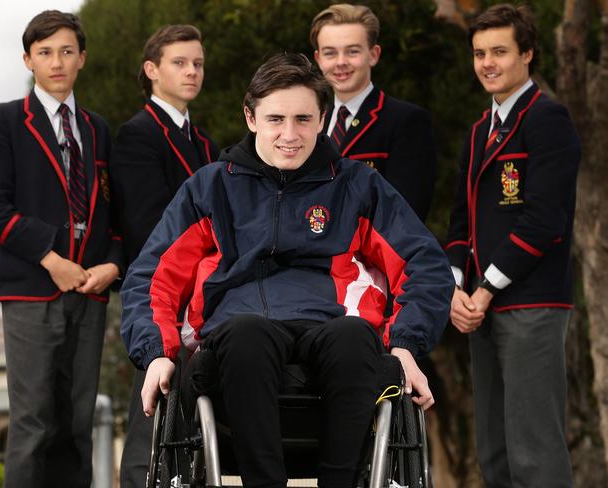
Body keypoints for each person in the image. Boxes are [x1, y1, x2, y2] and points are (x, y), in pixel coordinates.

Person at [121, 52, 453, 488]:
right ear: (251, 117)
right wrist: (158, 353)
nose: (290, 135)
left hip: (331, 323)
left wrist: (406, 343)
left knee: (356, 338)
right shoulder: (211, 187)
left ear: (322, 119)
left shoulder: (356, 185)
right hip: (240, 331)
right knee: (246, 334)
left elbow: (424, 263)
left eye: (303, 119)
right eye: (276, 119)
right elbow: (152, 278)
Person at [0, 10, 122, 488]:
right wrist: (51, 259)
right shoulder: (3, 121)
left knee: (77, 425)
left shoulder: (97, 129)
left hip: (90, 292)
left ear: (82, 59)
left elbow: (116, 213)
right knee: (34, 422)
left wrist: (112, 264)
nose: (57, 61)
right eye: (45, 52)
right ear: (28, 59)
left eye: (67, 51)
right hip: (33, 288)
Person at [445, 4, 580, 487]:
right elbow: (460, 224)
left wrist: (483, 289)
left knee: (534, 452)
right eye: (479, 53)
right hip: (479, 308)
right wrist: (456, 289)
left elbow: (545, 221)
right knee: (494, 452)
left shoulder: (547, 119)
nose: (487, 63)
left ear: (527, 53)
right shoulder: (481, 131)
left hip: (531, 303)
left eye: (499, 52)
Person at [110, 24, 219, 487]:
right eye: (180, 62)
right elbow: (147, 225)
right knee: (151, 413)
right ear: (151, 70)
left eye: (197, 62)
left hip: (202, 297)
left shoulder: (206, 143)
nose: (192, 71)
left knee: (190, 418)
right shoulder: (138, 136)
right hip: (161, 294)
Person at [310, 3, 436, 221]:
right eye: (330, 53)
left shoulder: (406, 121)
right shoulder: (310, 123)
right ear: (318, 59)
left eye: (352, 51)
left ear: (373, 54)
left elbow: (407, 213)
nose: (341, 62)